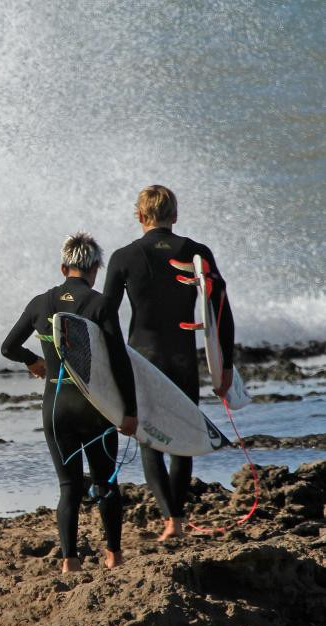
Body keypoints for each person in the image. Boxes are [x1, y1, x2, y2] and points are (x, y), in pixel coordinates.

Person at [103, 185, 236, 540]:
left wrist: (105, 366)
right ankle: (176, 518)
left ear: (140, 216)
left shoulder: (123, 257)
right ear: (174, 215)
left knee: (151, 441)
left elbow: (105, 317)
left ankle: (171, 521)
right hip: (182, 358)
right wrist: (225, 367)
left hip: (143, 359)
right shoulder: (197, 253)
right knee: (183, 435)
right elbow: (221, 312)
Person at [1, 233, 138, 572]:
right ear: (95, 268)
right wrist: (130, 411)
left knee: (68, 487)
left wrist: (33, 361)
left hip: (55, 407)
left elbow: (8, 348)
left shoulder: (40, 303)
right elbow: (119, 361)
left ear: (64, 267)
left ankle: (69, 561)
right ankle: (114, 556)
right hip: (94, 407)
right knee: (105, 481)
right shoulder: (100, 304)